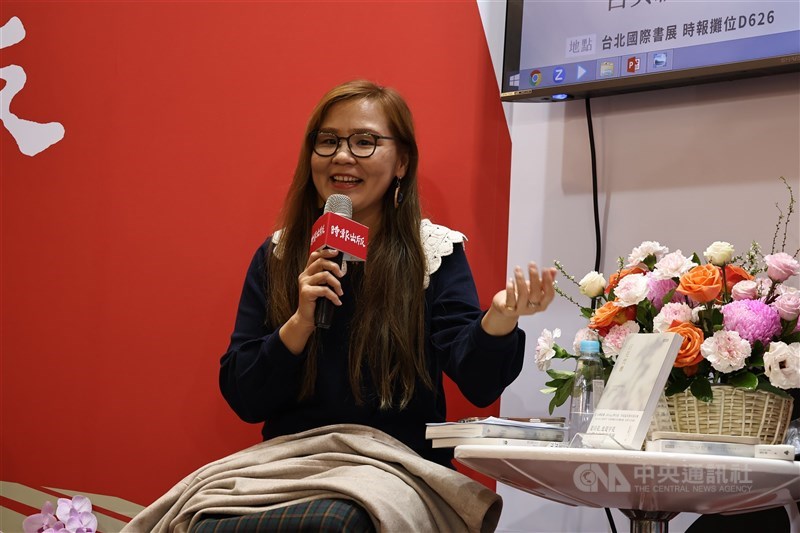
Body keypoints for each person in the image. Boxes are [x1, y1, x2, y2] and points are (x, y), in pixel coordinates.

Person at [211, 79, 556, 531]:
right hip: (289, 462)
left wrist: (500, 320)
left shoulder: (430, 251)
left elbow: (478, 381)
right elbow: (244, 395)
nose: (342, 156)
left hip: (395, 464)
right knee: (201, 514)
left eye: (365, 142)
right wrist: (299, 323)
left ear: (402, 162)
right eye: (328, 141)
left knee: (340, 523)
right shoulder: (279, 254)